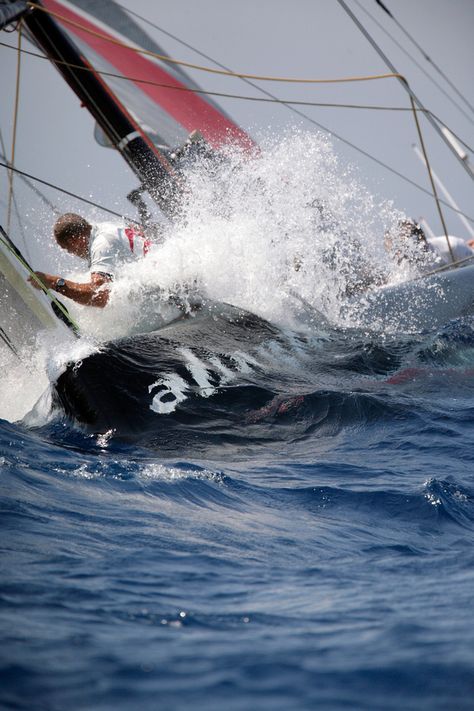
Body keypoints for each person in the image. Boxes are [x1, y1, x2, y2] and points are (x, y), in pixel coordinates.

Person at [28, 213, 152, 308]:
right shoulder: (105, 227)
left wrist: (53, 282)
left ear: (74, 240)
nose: (71, 253)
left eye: (67, 248)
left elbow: (99, 296)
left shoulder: (101, 245)